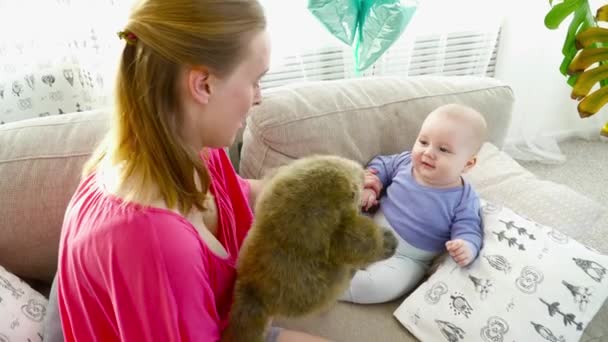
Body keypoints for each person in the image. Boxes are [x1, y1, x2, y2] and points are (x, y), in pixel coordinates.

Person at [53, 1, 330, 341]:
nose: (259, 98)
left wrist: (318, 191)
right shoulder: (156, 242)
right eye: (255, 80)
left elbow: (238, 194)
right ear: (203, 85)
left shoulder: (191, 150)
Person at [340, 103, 486, 304]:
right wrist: (371, 186)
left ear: (468, 163)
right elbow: (381, 164)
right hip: (370, 226)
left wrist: (466, 246)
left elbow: (470, 228)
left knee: (379, 286)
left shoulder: (464, 198)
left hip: (407, 259)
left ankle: (332, 287)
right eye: (423, 142)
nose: (428, 153)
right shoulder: (404, 162)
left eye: (443, 149)